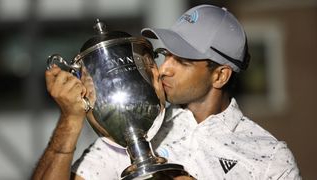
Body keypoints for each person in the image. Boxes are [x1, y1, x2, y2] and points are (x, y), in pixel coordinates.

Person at [32, 4, 301, 180]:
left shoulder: (270, 156)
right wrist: (70, 120)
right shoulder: (134, 130)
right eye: (165, 55)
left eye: (182, 61)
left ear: (220, 75)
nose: (163, 70)